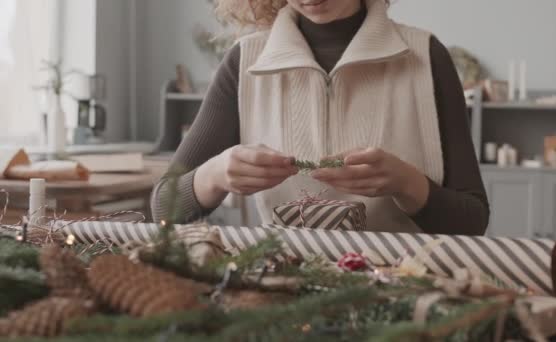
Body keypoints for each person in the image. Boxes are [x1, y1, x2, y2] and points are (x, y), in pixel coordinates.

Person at [152, 0, 489, 235]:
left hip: (404, 300)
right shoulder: (244, 63)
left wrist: (405, 183)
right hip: (284, 299)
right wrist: (217, 173)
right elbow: (164, 207)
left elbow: (472, 220)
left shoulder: (426, 58)